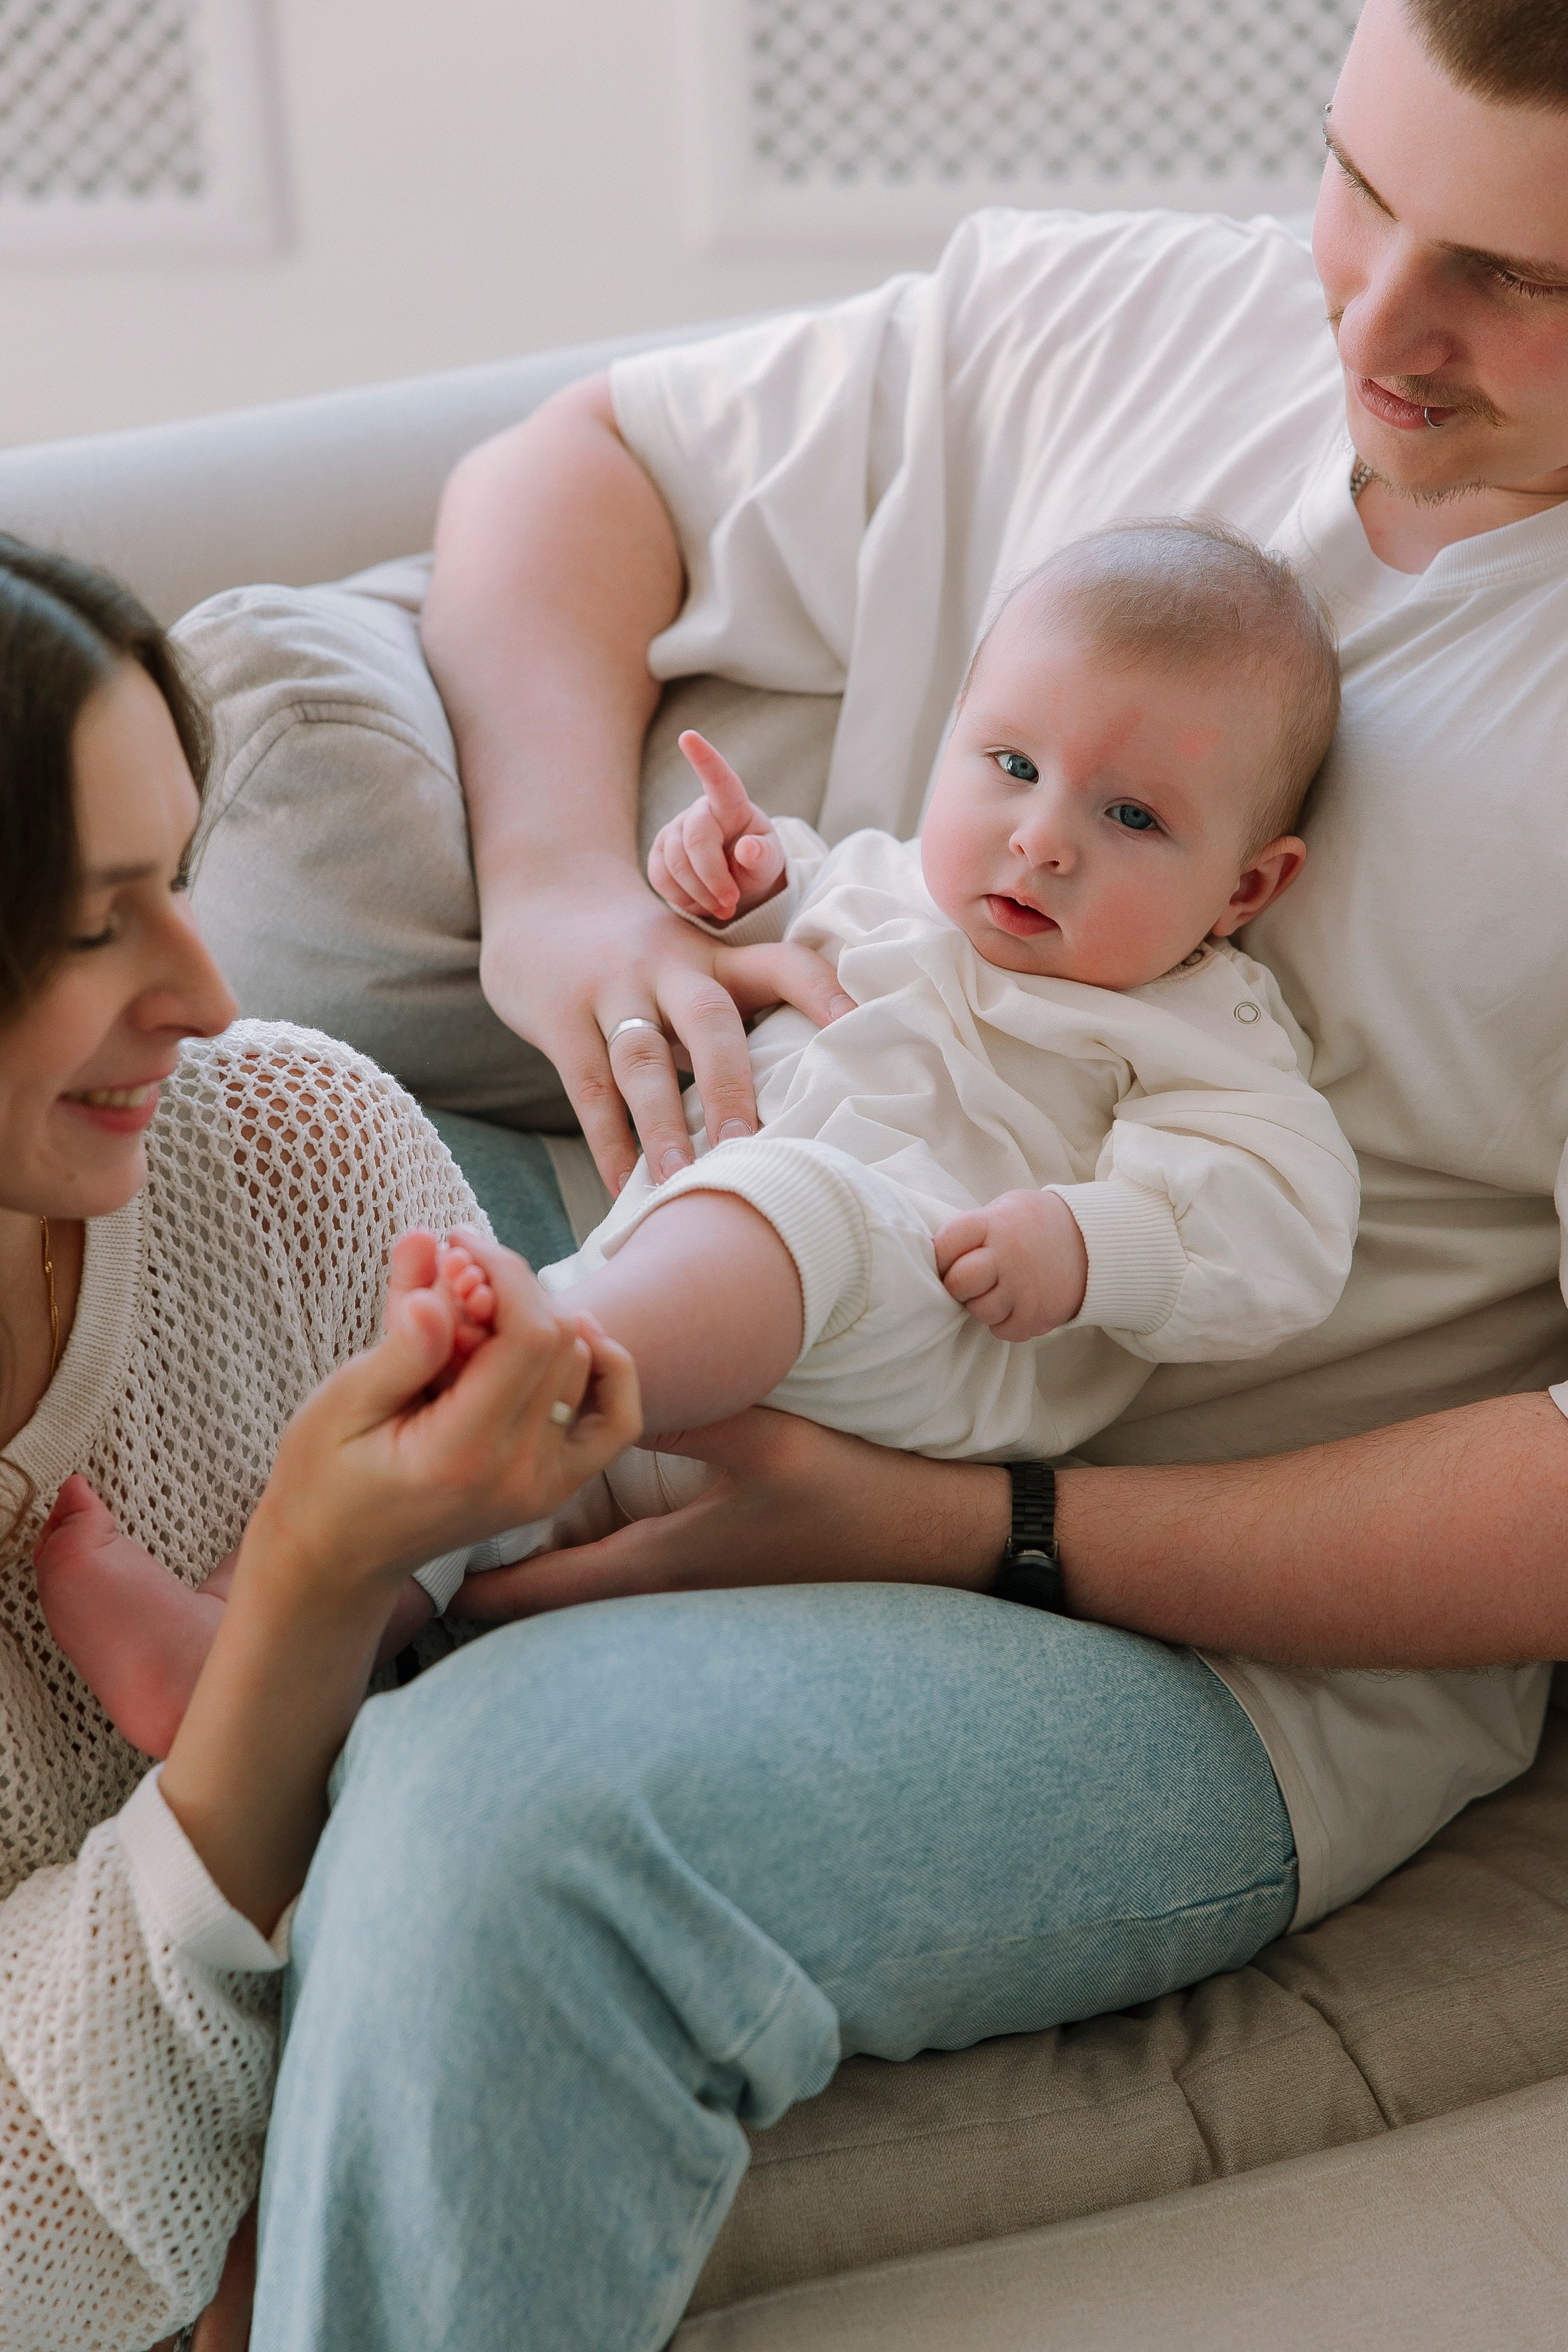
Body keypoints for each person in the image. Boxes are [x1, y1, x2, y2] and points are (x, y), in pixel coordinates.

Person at [179, 0, 1568, 2343]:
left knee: (521, 1831)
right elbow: (574, 471)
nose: (1371, 321)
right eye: (1352, 183)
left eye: (1523, 280)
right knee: (172, 1206)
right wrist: (567, 891)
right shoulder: (1129, 311)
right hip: (727, 1231)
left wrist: (977, 1529)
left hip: (1189, 1631)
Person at [0, 534, 640, 2350]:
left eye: (180, 879)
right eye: (86, 922)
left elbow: (559, 1753)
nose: (204, 994)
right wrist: (293, 1597)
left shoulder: (293, 1141)